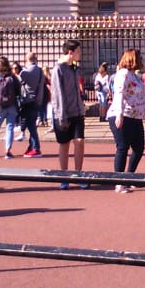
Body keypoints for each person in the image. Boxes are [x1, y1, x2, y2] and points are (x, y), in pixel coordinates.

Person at [107, 48, 145, 192]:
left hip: (135, 116)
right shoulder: (123, 74)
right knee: (123, 147)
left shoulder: (136, 76)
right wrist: (119, 114)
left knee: (139, 148)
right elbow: (118, 93)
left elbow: (141, 97)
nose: (142, 61)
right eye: (140, 58)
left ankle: (129, 176)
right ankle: (119, 182)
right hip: (123, 115)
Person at [49, 40, 88, 189]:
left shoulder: (74, 68)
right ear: (71, 52)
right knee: (64, 145)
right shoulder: (58, 69)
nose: (80, 54)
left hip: (77, 111)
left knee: (79, 142)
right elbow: (57, 94)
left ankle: (78, 174)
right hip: (63, 113)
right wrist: (61, 115)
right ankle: (64, 176)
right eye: (78, 51)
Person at [17, 52, 47, 158]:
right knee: (32, 124)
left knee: (31, 126)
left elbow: (18, 82)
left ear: (26, 59)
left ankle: (35, 148)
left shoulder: (25, 72)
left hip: (27, 100)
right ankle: (31, 146)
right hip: (37, 99)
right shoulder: (39, 71)